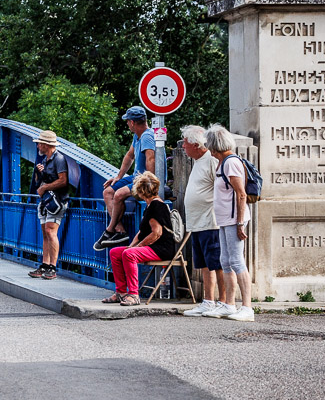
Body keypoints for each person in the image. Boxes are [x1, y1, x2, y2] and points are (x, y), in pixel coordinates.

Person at [202, 124, 254, 322]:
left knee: (237, 261)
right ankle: (229, 305)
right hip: (226, 219)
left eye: (209, 144)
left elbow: (241, 194)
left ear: (216, 146)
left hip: (234, 219)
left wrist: (240, 223)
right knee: (226, 261)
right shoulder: (224, 162)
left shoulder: (231, 163)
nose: (208, 148)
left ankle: (247, 307)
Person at [103, 172, 174, 307]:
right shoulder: (149, 205)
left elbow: (156, 234)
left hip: (161, 248)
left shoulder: (156, 206)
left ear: (140, 191)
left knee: (129, 255)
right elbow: (142, 232)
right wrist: (132, 245)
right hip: (151, 247)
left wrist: (138, 247)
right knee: (115, 253)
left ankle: (134, 295)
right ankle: (121, 292)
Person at [178, 126, 226, 318]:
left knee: (216, 263)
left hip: (210, 221)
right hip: (198, 222)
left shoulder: (211, 161)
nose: (183, 146)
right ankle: (208, 301)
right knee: (204, 264)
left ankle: (223, 301)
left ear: (197, 144)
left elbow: (223, 188)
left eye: (185, 142)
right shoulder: (198, 161)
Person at [95, 107, 155, 251]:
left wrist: (149, 182)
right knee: (108, 192)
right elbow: (129, 156)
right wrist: (118, 177)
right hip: (135, 176)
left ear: (133, 122)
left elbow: (151, 159)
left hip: (145, 179)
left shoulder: (148, 136)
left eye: (127, 121)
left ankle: (109, 231)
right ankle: (120, 231)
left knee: (119, 194)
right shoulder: (137, 136)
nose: (127, 124)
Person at [29, 130, 69, 280]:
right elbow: (40, 182)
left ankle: (52, 267)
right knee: (46, 232)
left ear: (47, 144)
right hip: (46, 201)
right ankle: (45, 265)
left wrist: (45, 187)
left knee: (51, 231)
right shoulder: (45, 160)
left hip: (56, 201)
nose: (38, 146)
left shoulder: (59, 159)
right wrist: (41, 174)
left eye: (39, 143)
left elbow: (63, 181)